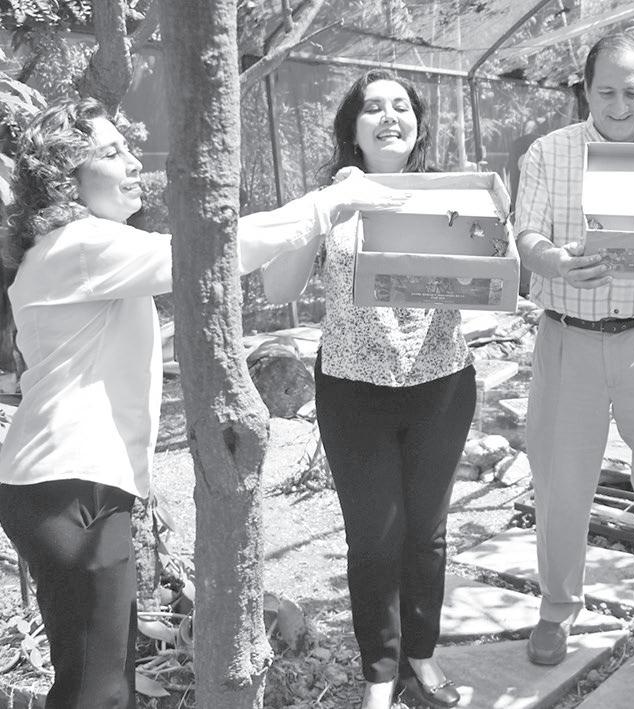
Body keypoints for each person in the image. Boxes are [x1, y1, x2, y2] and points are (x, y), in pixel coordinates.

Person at [0, 97, 396, 709]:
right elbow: (216, 251)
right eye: (112, 153)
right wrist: (331, 201)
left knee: (98, 682)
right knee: (96, 692)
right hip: (71, 490)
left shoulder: (69, 251)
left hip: (63, 487)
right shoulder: (80, 244)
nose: (134, 162)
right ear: (65, 179)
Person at [261, 70, 475, 709]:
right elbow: (277, 288)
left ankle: (421, 658)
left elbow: (489, 278)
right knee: (375, 538)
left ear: (418, 125)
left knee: (427, 533)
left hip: (441, 385)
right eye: (373, 108)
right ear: (351, 130)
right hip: (354, 391)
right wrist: (328, 208)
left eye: (401, 107)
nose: (389, 117)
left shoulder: (451, 196)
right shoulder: (331, 199)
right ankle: (380, 674)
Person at [514, 32, 634, 684]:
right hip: (568, 337)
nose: (620, 105)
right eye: (606, 92)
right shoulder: (549, 152)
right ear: (585, 91)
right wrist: (555, 261)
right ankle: (556, 609)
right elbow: (526, 236)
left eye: (632, 91)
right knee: (561, 488)